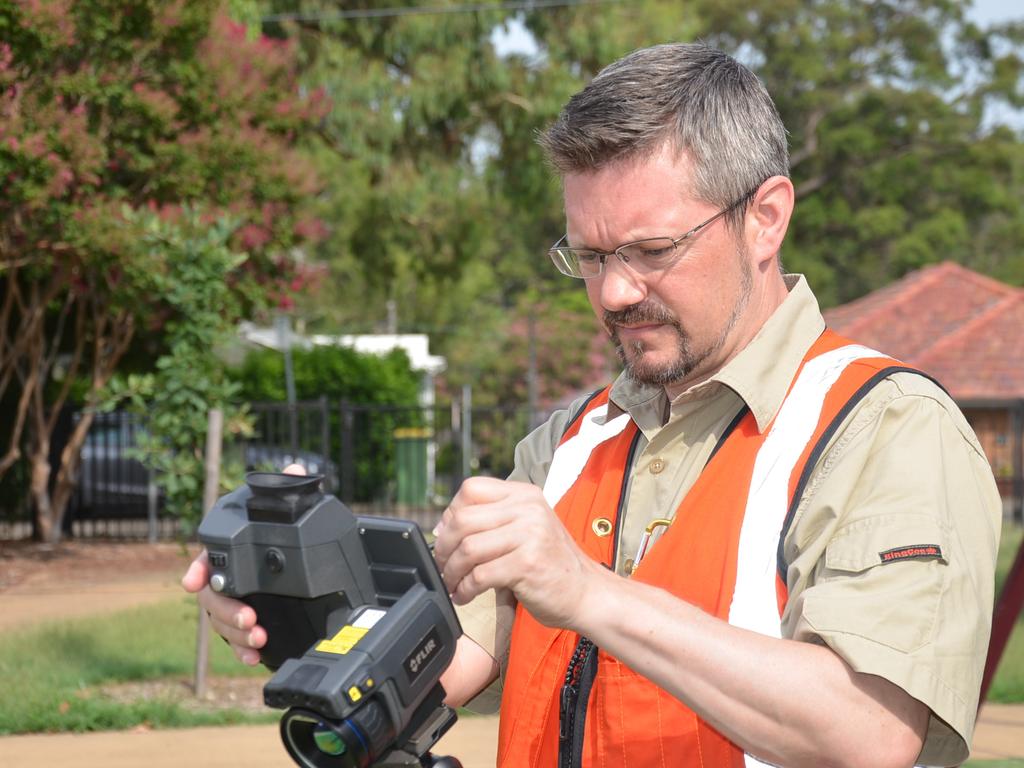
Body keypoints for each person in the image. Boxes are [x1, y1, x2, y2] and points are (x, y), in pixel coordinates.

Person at [184, 43, 1001, 768]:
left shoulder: (886, 428)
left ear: (766, 218)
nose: (613, 291)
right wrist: (308, 624)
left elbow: (870, 732)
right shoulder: (569, 441)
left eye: (651, 251)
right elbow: (444, 658)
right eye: (588, 256)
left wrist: (585, 591)